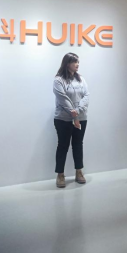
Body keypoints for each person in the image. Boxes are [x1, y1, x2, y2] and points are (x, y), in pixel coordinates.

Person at [53, 53, 90, 188]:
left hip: (81, 118)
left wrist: (78, 112)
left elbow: (86, 95)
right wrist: (74, 114)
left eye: (78, 62)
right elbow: (63, 99)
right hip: (63, 119)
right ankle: (60, 174)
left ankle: (79, 171)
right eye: (74, 62)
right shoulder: (58, 80)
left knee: (78, 144)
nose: (77, 64)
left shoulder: (81, 79)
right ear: (67, 63)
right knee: (63, 145)